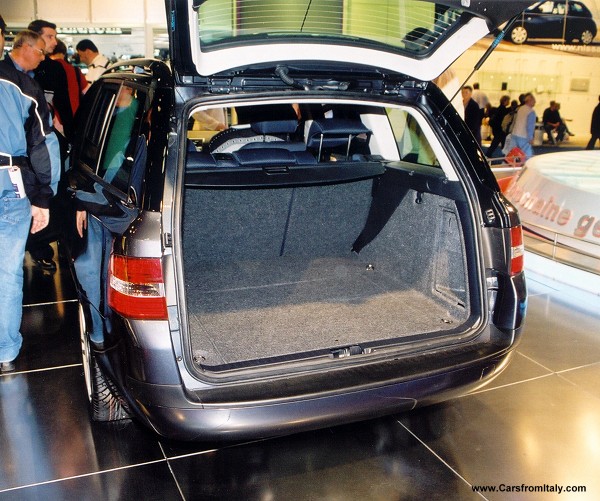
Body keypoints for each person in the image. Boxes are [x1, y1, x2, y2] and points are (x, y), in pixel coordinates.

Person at [0, 28, 60, 373]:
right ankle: (5, 349)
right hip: (10, 181)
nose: (43, 57)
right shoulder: (25, 88)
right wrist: (43, 198)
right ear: (21, 46)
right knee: (7, 271)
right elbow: (42, 148)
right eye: (40, 51)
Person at [49, 39, 89, 130]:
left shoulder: (44, 70)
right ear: (64, 53)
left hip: (53, 123)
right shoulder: (75, 71)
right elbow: (88, 93)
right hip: (75, 122)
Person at [506, 92, 537, 159]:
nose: (535, 102)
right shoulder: (531, 112)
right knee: (527, 155)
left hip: (515, 134)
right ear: (530, 100)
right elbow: (530, 127)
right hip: (523, 136)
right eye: (534, 100)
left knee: (513, 155)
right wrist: (531, 138)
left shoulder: (520, 109)